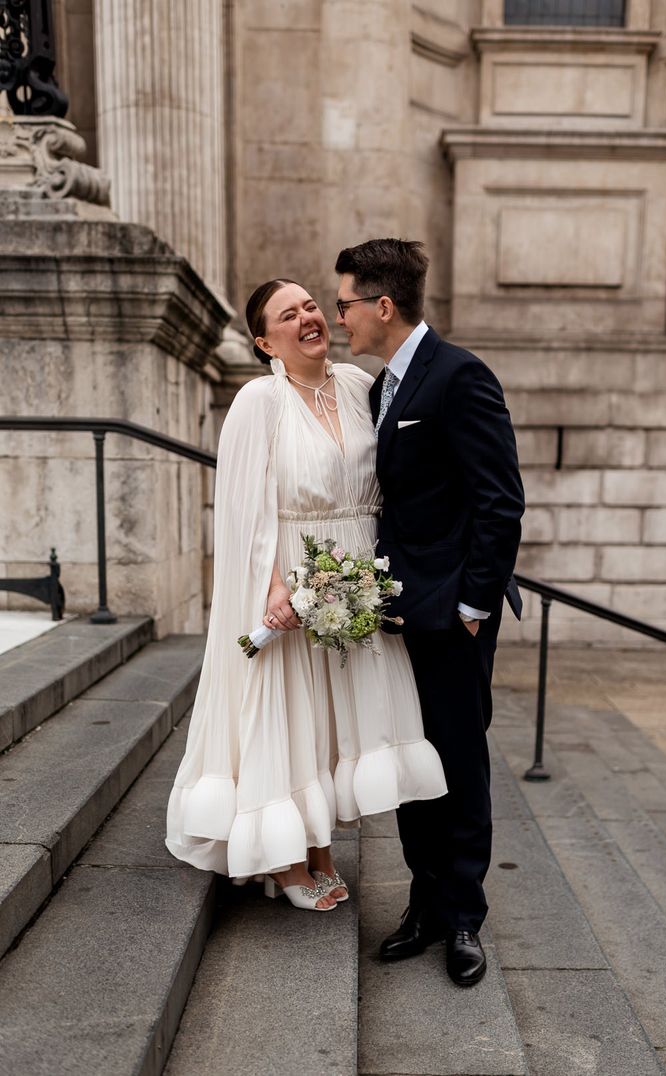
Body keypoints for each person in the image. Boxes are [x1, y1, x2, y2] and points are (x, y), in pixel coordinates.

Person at [166, 279, 447, 911]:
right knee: (288, 714)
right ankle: (287, 860)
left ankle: (320, 848)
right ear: (266, 341)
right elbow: (241, 506)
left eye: (312, 305)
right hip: (293, 577)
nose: (308, 317)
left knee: (330, 719)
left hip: (355, 582)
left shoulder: (358, 387)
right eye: (287, 315)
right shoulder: (257, 401)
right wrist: (273, 586)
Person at [335, 239, 524, 981]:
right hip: (396, 613)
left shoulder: (460, 374)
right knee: (411, 760)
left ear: (384, 306)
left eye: (346, 302)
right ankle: (424, 902)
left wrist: (474, 604)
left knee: (459, 759)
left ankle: (465, 917)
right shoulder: (381, 387)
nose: (341, 315)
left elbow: (499, 501)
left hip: (453, 615)